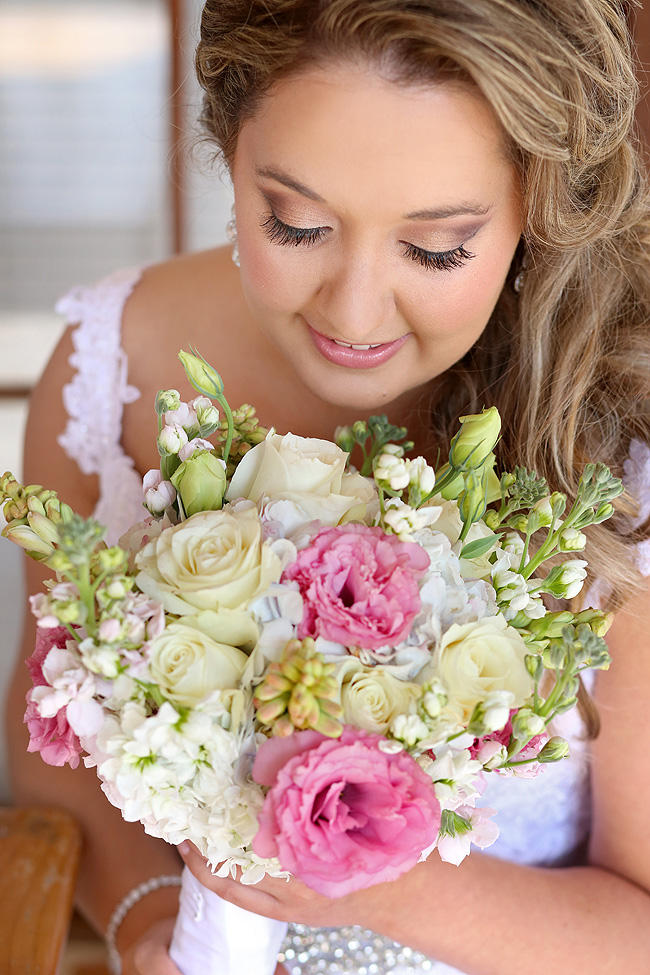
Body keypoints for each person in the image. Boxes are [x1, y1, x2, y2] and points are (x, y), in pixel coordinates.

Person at [6, 1, 650, 973]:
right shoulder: (119, 364)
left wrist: (375, 878)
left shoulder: (617, 440)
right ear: (228, 145)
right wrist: (144, 924)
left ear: (539, 201)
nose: (352, 312)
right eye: (294, 223)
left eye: (435, 248)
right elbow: (48, 746)